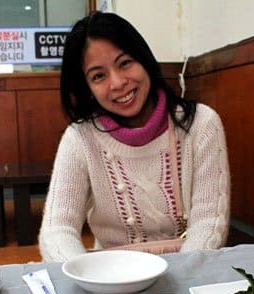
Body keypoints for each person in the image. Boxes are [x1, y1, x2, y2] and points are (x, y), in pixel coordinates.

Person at [38, 11, 230, 262]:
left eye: (125, 63)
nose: (117, 83)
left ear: (144, 59)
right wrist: (84, 272)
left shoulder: (202, 124)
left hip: (186, 272)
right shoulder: (80, 139)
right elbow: (57, 229)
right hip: (111, 275)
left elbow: (209, 223)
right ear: (87, 89)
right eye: (98, 76)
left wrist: (179, 278)